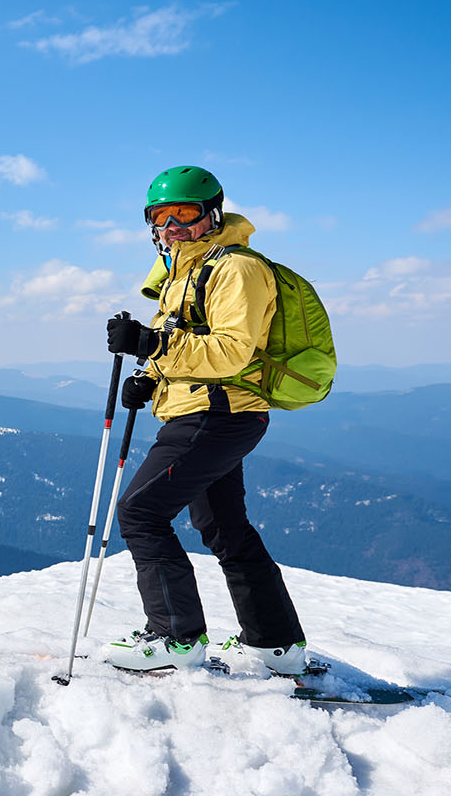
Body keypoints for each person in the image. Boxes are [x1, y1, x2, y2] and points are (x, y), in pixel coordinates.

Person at [101, 165, 307, 674]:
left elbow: (232, 351)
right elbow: (186, 344)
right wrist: (151, 377)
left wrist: (151, 345)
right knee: (223, 527)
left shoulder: (235, 268)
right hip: (209, 411)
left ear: (212, 214)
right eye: (161, 217)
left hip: (217, 414)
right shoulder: (183, 272)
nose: (172, 226)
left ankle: (175, 639)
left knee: (140, 513)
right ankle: (275, 646)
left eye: (185, 213)